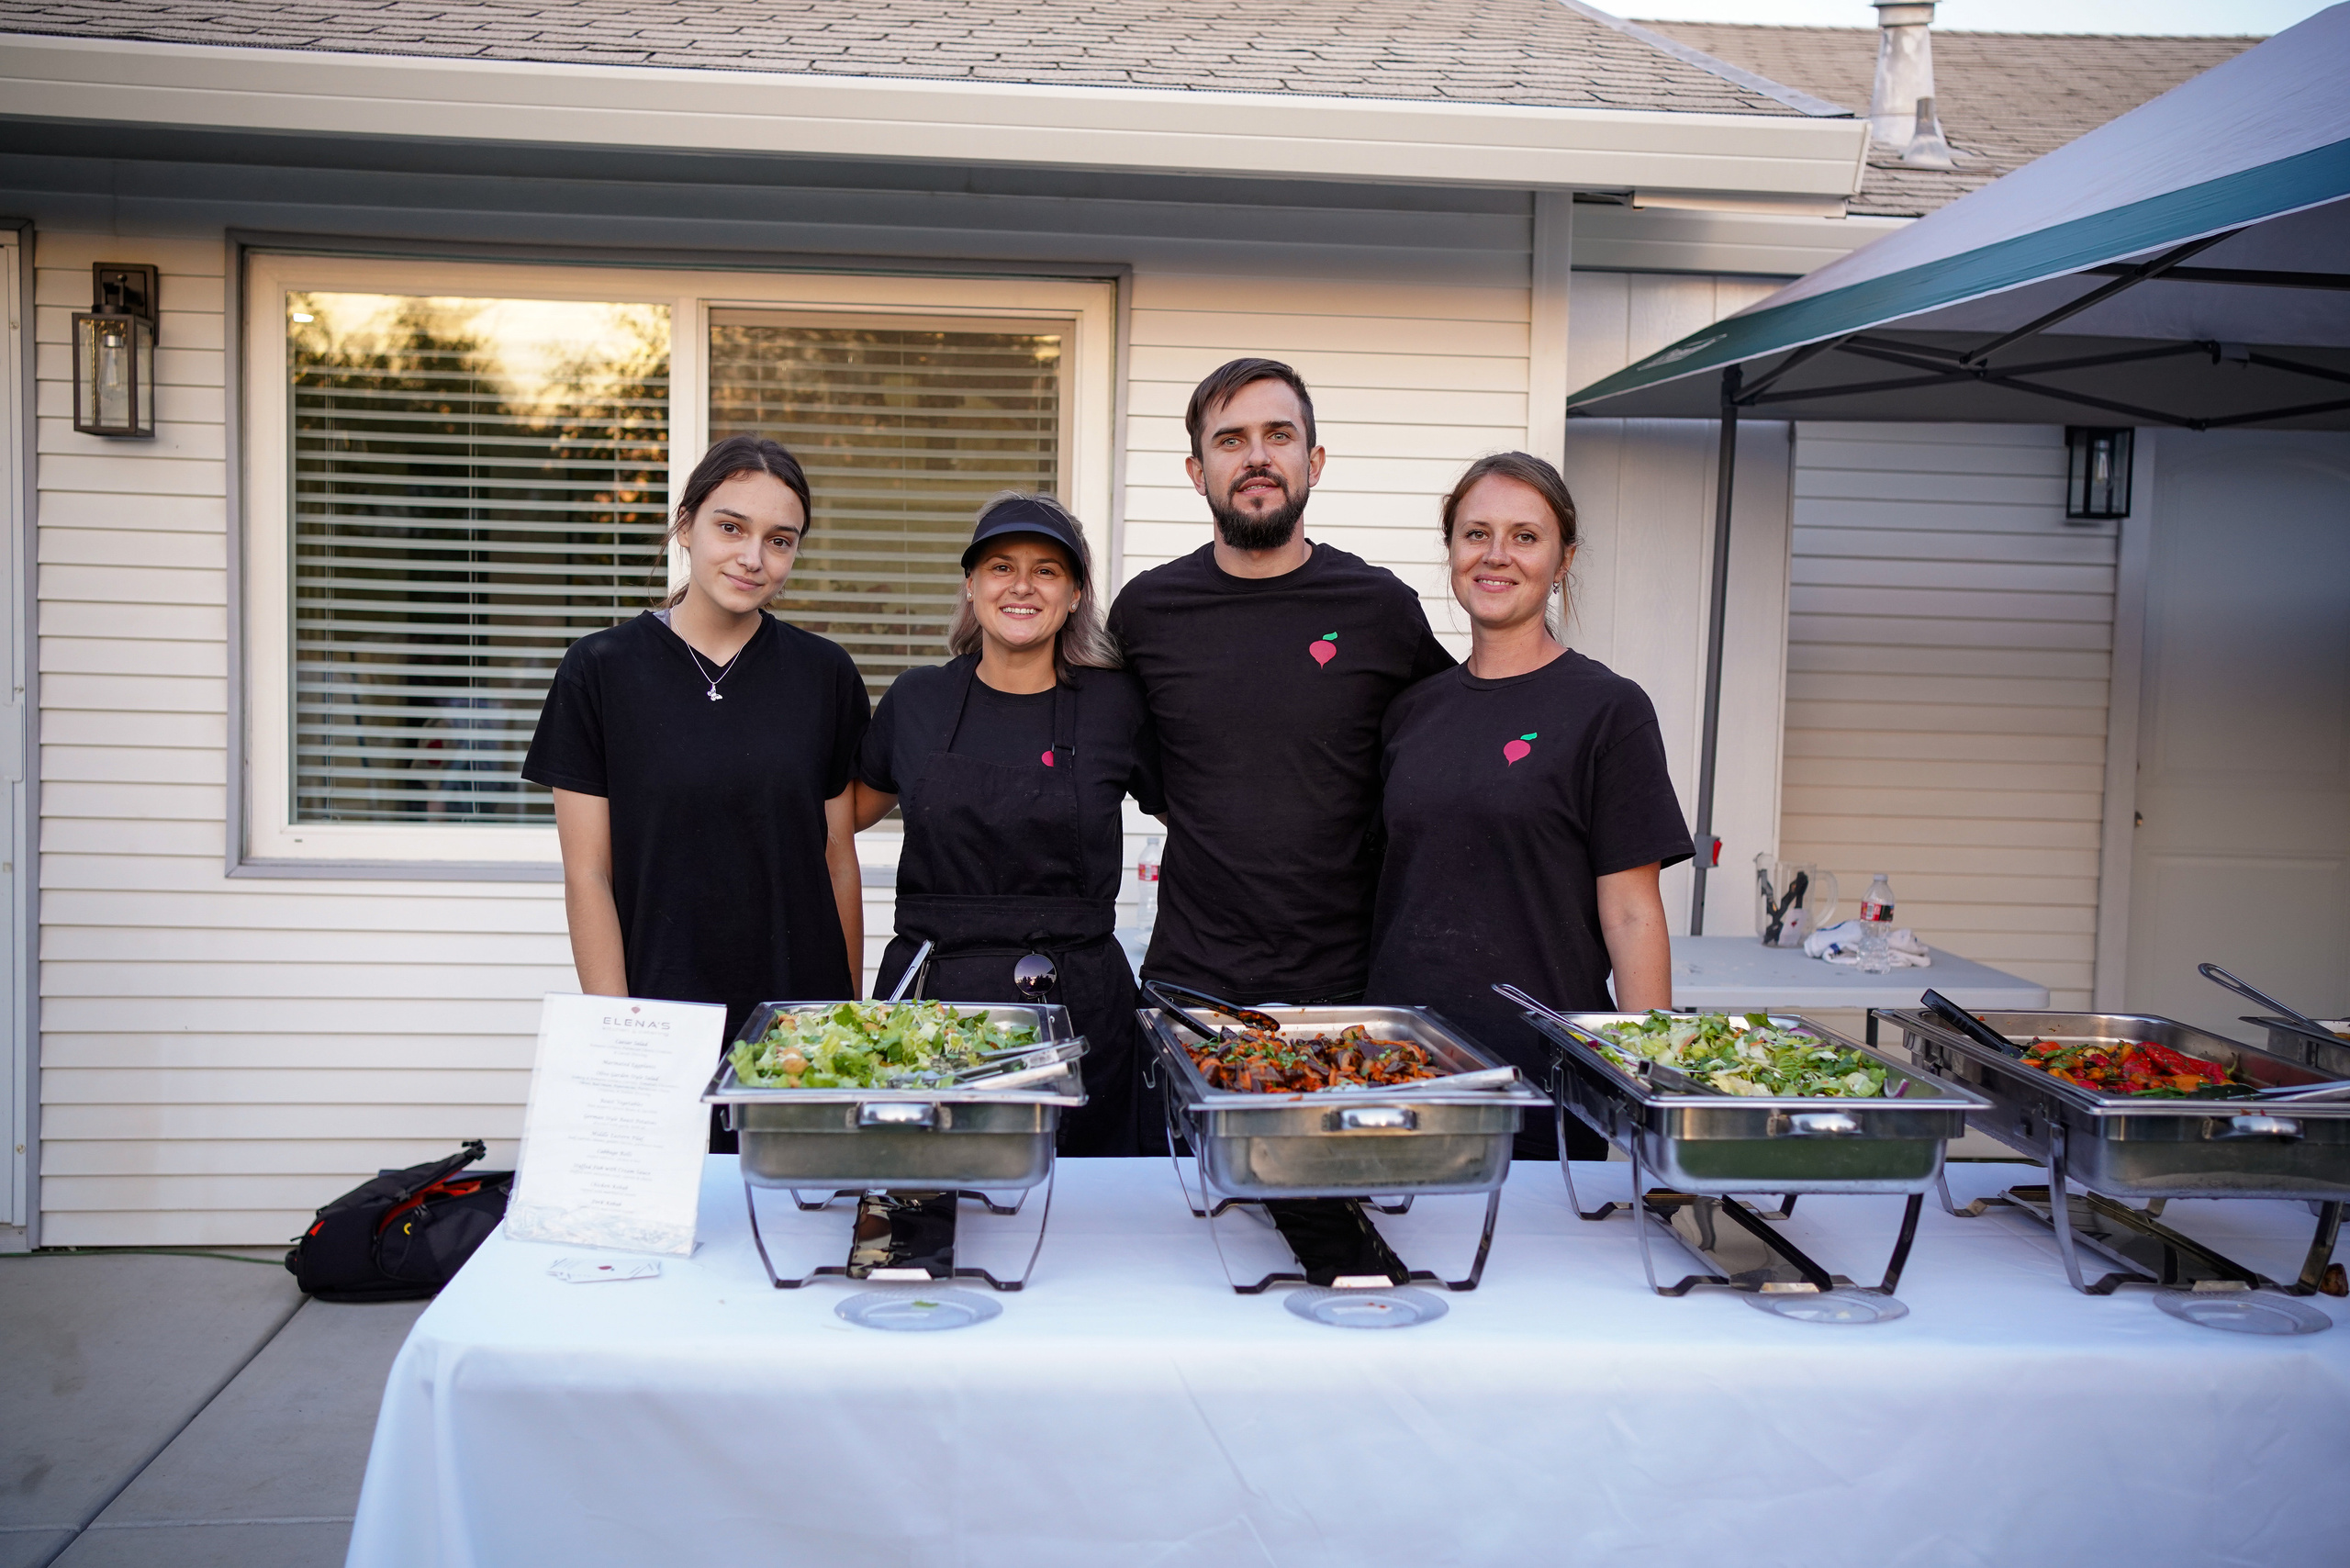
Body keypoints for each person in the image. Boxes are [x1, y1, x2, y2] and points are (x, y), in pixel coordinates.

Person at [523, 434, 868, 1150]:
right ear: (685, 525)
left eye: (780, 540)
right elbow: (588, 872)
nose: (753, 558)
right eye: (731, 527)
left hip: (795, 1027)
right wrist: (616, 1030)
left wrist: (846, 1019)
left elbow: (836, 857)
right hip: (660, 1015)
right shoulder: (600, 670)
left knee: (793, 1232)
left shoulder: (823, 674)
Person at [1365, 452, 1691, 1159]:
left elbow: (1633, 912)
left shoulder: (1609, 711)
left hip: (1543, 1070)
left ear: (1563, 558)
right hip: (1402, 1068)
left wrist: (1652, 1089)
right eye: (1476, 533)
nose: (1497, 556)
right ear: (1451, 550)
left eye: (1525, 536)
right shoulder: (1410, 713)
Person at [1107, 358, 1455, 1007]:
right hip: (1191, 984)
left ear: (1314, 462)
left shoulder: (1381, 610)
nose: (1256, 458)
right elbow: (1142, 772)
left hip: (1352, 988)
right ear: (1196, 471)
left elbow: (1440, 767)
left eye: (1279, 435)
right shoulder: (1146, 613)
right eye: (1230, 439)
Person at [852, 495, 1163, 1155]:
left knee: (1093, 1214)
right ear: (971, 586)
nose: (1022, 585)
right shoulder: (917, 700)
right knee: (930, 1199)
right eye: (1000, 567)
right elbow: (834, 819)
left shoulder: (1116, 705)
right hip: (934, 1007)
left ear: (1076, 593)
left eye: (1047, 570)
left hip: (1080, 1007)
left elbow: (1199, 821)